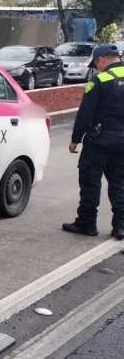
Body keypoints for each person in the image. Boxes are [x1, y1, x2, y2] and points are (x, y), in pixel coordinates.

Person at [63, 43, 124, 239]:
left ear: (101, 60)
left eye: (96, 64)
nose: (96, 68)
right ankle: (121, 227)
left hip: (99, 140)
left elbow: (85, 113)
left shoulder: (99, 80)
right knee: (120, 183)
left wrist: (75, 139)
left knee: (90, 182)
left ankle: (87, 223)